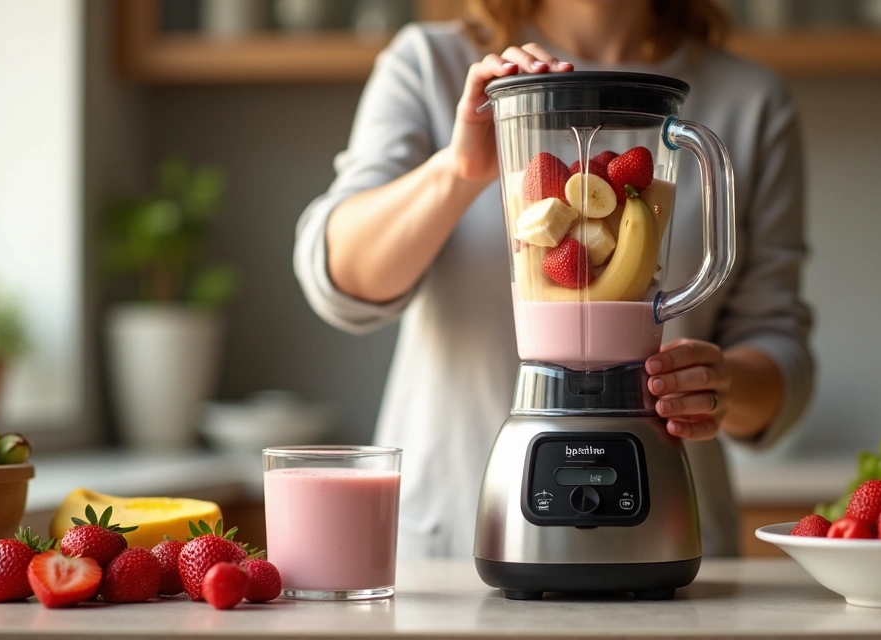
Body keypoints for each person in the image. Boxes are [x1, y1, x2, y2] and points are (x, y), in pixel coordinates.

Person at [294, 0, 814, 558]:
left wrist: (719, 384)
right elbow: (339, 276)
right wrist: (458, 169)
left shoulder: (751, 99)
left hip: (663, 540)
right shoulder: (430, 63)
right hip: (449, 537)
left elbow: (780, 354)